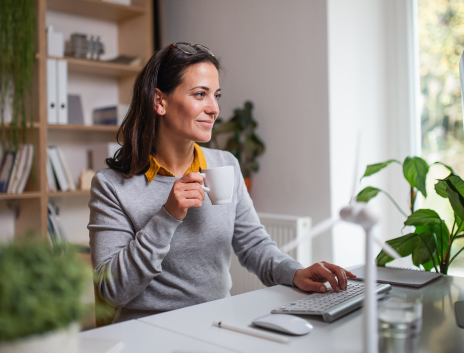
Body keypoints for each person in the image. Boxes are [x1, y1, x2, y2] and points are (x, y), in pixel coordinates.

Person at [88, 42, 356, 323]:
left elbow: (253, 245)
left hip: (217, 323)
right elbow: (112, 290)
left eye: (216, 95)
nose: (214, 108)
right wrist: (166, 217)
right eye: (200, 94)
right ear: (159, 101)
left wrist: (295, 273)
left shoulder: (223, 165)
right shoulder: (111, 186)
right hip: (148, 331)